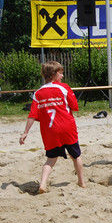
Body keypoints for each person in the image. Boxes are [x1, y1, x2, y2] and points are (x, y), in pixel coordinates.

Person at [19, 61, 85, 193]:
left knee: (50, 159)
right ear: (54, 74)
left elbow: (32, 115)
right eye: (60, 73)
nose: (62, 76)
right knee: (76, 156)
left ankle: (43, 184)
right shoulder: (64, 88)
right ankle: (81, 182)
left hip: (49, 131)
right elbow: (75, 107)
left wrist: (25, 132)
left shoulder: (38, 93)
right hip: (67, 127)